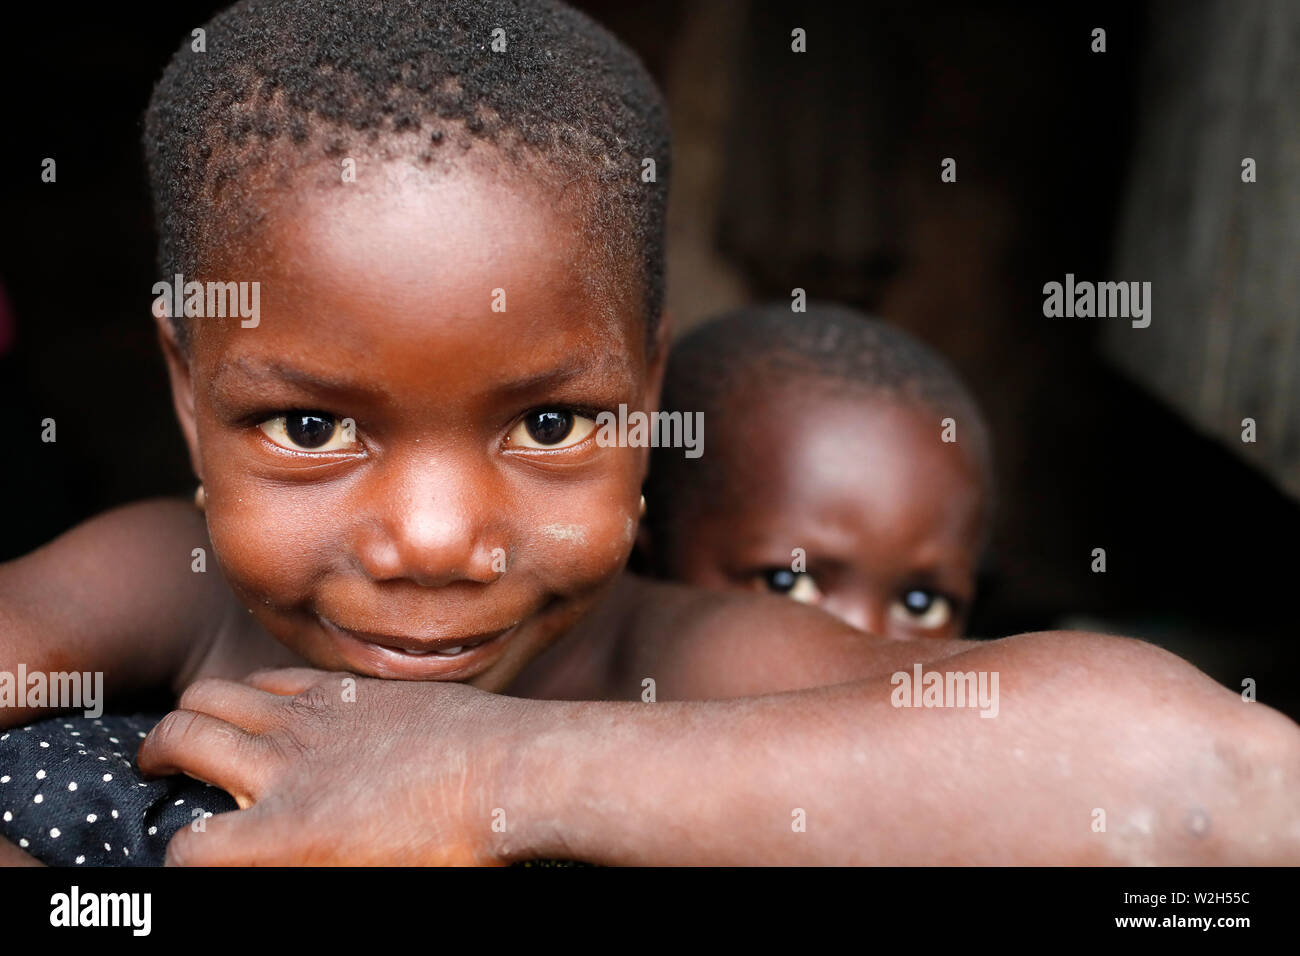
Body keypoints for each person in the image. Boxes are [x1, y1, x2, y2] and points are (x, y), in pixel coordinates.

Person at [1, 0, 1295, 866]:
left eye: (553, 422)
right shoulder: (171, 580)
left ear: (649, 383)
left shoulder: (687, 654)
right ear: (185, 390)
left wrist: (489, 774)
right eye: (306, 424)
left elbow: (1222, 780)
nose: (438, 542)